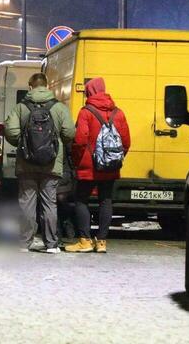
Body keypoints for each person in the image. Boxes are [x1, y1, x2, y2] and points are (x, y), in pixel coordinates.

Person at [4, 73, 75, 253]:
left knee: (26, 202)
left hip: (27, 163)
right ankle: (51, 244)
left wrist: (24, 143)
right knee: (49, 203)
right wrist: (56, 141)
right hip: (51, 164)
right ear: (46, 86)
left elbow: (11, 131)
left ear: (30, 86)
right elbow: (69, 132)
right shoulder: (59, 107)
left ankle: (24, 243)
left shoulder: (21, 108)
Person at [65, 77, 131, 253]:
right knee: (106, 200)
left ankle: (85, 241)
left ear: (90, 91)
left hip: (89, 166)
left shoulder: (85, 112)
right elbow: (126, 141)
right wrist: (115, 158)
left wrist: (78, 160)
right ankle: (102, 242)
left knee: (81, 200)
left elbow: (79, 140)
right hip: (110, 166)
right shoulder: (119, 113)